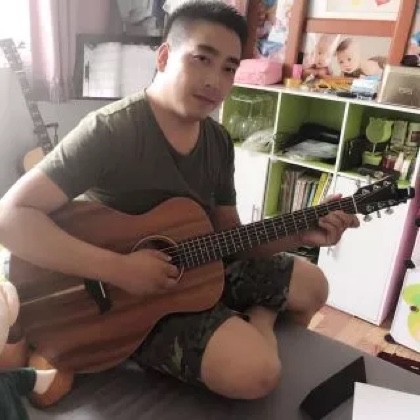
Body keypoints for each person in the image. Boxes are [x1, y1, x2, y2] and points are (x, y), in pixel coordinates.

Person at [0, 0, 358, 401]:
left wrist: (300, 236)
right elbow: (9, 217)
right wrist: (119, 269)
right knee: (257, 372)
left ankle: (245, 319)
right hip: (126, 303)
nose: (215, 81)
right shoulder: (111, 130)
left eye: (229, 68)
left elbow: (231, 239)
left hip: (198, 269)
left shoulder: (218, 141)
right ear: (164, 56)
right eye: (202, 59)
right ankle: (259, 315)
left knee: (313, 285)